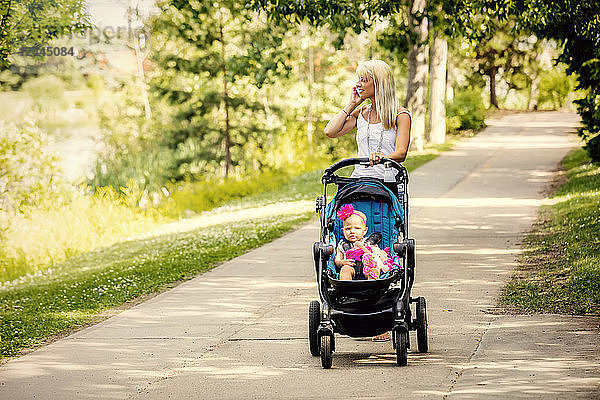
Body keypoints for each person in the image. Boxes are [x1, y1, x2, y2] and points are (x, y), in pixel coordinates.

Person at [323, 59, 411, 183]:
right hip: (359, 181)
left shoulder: (400, 115)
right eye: (358, 79)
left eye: (363, 80)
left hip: (387, 183)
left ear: (379, 83)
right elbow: (330, 132)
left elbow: (401, 154)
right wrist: (352, 105)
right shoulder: (361, 113)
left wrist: (382, 158)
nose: (358, 84)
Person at [334, 204, 398, 281]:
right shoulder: (342, 245)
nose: (352, 232)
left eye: (357, 228)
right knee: (345, 270)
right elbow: (337, 261)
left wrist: (383, 261)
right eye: (347, 229)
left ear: (365, 231)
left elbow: (378, 254)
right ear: (343, 231)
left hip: (368, 267)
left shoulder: (368, 243)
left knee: (374, 270)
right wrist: (342, 262)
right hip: (351, 268)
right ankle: (346, 287)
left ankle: (371, 286)